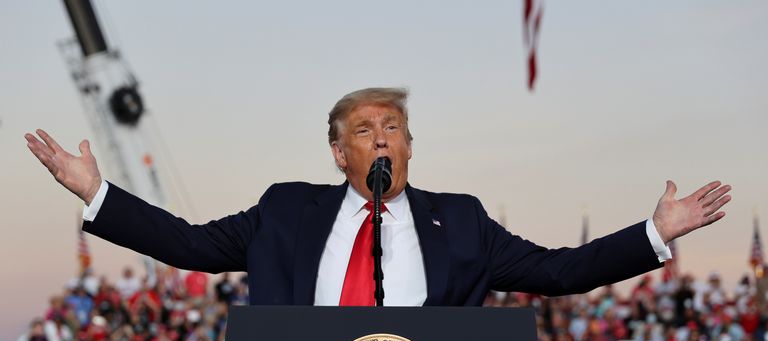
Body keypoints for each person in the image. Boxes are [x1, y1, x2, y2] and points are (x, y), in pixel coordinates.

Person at [24, 88, 732, 306]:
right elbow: (190, 246)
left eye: (394, 126)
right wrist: (100, 194)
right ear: (339, 153)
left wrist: (652, 232)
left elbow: (558, 272)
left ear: (411, 146)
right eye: (364, 129)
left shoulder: (461, 220)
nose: (382, 136)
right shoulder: (285, 210)